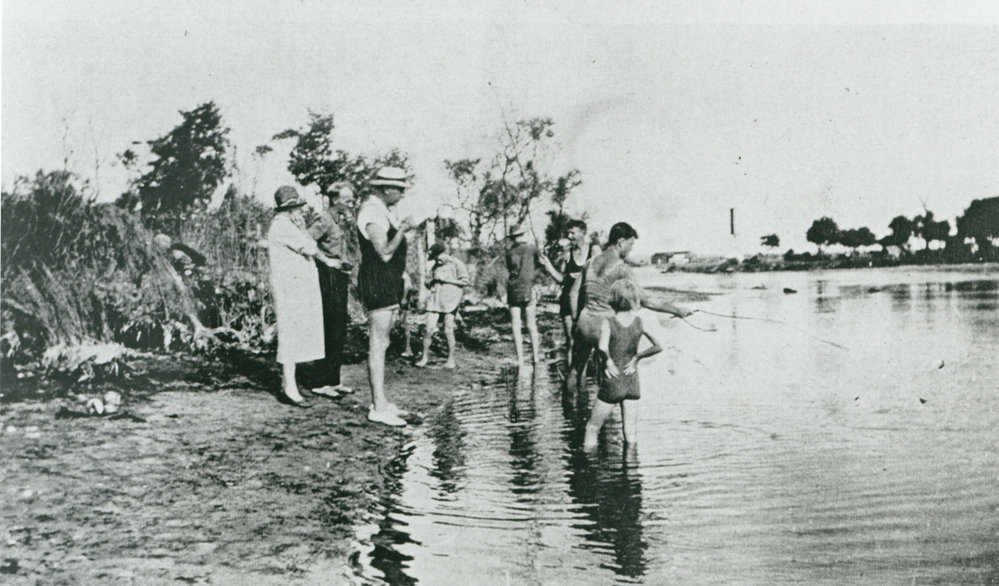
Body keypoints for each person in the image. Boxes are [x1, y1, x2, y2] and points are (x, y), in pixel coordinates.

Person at [567, 222, 692, 397]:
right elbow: (645, 300)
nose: (631, 249)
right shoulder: (622, 269)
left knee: (574, 370)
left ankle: (569, 415)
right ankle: (605, 419)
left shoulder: (590, 262)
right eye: (631, 245)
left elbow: (573, 294)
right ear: (621, 242)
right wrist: (676, 310)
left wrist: (575, 320)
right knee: (613, 374)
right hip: (605, 325)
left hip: (584, 321)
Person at [266, 185, 342, 407]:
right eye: (297, 208)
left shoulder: (290, 225)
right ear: (287, 209)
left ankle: (291, 383)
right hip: (290, 289)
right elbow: (309, 247)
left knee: (297, 334)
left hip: (297, 289)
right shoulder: (282, 226)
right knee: (290, 336)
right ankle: (289, 387)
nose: (301, 211)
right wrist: (327, 261)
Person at [357, 167, 413, 426]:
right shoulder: (371, 213)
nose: (402, 194)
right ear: (387, 189)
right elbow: (384, 253)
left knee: (384, 342)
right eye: (399, 189)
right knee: (378, 344)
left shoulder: (382, 212)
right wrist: (402, 229)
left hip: (387, 284)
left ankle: (381, 400)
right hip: (376, 283)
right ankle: (378, 406)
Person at [583, 279, 662, 451]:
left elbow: (602, 347)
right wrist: (637, 357)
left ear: (613, 299)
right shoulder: (640, 322)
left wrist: (608, 361)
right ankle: (632, 474)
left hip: (613, 379)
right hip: (632, 380)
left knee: (592, 428)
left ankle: (588, 465)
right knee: (631, 434)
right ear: (634, 299)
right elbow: (658, 346)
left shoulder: (608, 322)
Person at [306, 181, 356, 399]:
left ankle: (333, 380)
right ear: (335, 200)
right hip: (327, 276)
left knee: (339, 328)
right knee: (328, 326)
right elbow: (307, 242)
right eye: (348, 200)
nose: (351, 204)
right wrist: (326, 261)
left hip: (339, 276)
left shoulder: (340, 221)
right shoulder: (324, 219)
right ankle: (319, 382)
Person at [505, 225, 559, 364]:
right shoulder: (532, 249)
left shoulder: (510, 252)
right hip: (528, 289)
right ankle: (535, 357)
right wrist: (537, 282)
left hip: (514, 289)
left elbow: (511, 269)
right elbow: (542, 267)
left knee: (516, 325)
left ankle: (521, 359)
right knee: (531, 324)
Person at [416, 242, 469, 369]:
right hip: (435, 301)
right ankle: (424, 358)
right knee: (428, 329)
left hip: (450, 301)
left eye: (438, 257)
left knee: (448, 330)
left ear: (444, 253)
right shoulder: (435, 266)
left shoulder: (457, 264)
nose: (436, 260)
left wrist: (446, 280)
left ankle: (451, 360)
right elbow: (428, 283)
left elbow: (465, 281)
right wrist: (430, 282)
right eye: (434, 258)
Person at [558, 219, 590, 360]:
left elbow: (601, 276)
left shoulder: (593, 251)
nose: (570, 236)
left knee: (591, 343)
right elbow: (561, 279)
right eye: (568, 233)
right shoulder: (568, 253)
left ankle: (591, 379)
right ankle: (571, 378)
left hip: (587, 300)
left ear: (583, 233)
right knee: (571, 342)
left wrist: (583, 276)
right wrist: (547, 265)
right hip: (568, 299)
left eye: (573, 233)